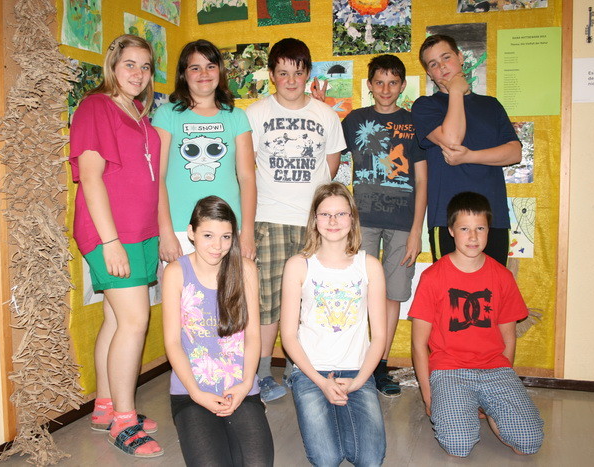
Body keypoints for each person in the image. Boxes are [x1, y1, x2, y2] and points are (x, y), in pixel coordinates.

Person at [69, 34, 162, 457]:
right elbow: (90, 177)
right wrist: (110, 242)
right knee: (135, 322)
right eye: (129, 64)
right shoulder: (96, 106)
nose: (138, 73)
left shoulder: (137, 112)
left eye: (145, 66)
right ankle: (124, 422)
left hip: (139, 232)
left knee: (115, 320)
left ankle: (106, 407)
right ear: (112, 65)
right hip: (112, 234)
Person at [246, 38, 346, 401]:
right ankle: (261, 374)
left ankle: (297, 369)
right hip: (268, 220)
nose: (291, 80)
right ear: (272, 74)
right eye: (283, 72)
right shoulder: (255, 113)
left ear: (308, 74)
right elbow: (246, 168)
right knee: (268, 302)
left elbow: (331, 165)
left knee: (309, 300)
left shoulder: (326, 115)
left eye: (298, 72)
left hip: (312, 224)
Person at [409, 192, 544, 457]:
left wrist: (504, 380)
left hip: (495, 369)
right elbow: (418, 343)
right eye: (464, 229)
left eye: (480, 228)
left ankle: (492, 409)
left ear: (489, 230)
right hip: (449, 371)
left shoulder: (502, 276)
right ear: (451, 231)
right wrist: (428, 394)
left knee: (529, 442)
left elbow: (508, 338)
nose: (473, 237)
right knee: (459, 445)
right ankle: (462, 406)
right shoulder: (433, 277)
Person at [162, 196, 274, 466]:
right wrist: (196, 392)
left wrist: (246, 384)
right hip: (192, 392)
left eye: (226, 237)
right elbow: (173, 342)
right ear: (191, 232)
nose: (218, 246)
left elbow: (253, 336)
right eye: (208, 235)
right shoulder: (176, 272)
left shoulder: (245, 270)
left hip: (240, 388)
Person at [280, 182, 387, 466]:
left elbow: (379, 336)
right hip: (310, 372)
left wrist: (359, 381)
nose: (333, 221)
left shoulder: (370, 265)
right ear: (314, 220)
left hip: (357, 371)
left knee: (370, 460)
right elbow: (288, 336)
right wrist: (321, 383)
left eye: (340, 214)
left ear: (352, 218)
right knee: (326, 459)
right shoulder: (298, 265)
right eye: (325, 214)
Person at [341, 54, 427, 397]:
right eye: (379, 82)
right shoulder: (355, 120)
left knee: (393, 295)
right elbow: (332, 153)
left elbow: (422, 179)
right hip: (362, 221)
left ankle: (380, 365)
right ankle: (353, 360)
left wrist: (417, 231)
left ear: (402, 85)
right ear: (369, 85)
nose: (386, 89)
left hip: (403, 223)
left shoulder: (413, 122)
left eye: (393, 82)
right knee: (357, 291)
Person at [411, 34, 521, 266]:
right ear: (429, 73)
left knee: (492, 287)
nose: (442, 67)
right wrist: (456, 92)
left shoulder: (491, 105)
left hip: (493, 218)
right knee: (451, 288)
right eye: (433, 64)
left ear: (460, 57)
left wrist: (470, 156)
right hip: (448, 220)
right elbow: (452, 139)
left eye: (446, 57)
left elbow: (514, 153)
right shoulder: (424, 106)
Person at [152, 39, 256, 263]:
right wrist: (165, 231)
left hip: (227, 230)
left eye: (210, 66)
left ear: (220, 70)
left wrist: (247, 232)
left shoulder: (237, 117)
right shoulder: (167, 115)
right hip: (180, 230)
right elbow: (157, 177)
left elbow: (247, 178)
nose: (204, 73)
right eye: (195, 68)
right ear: (183, 74)